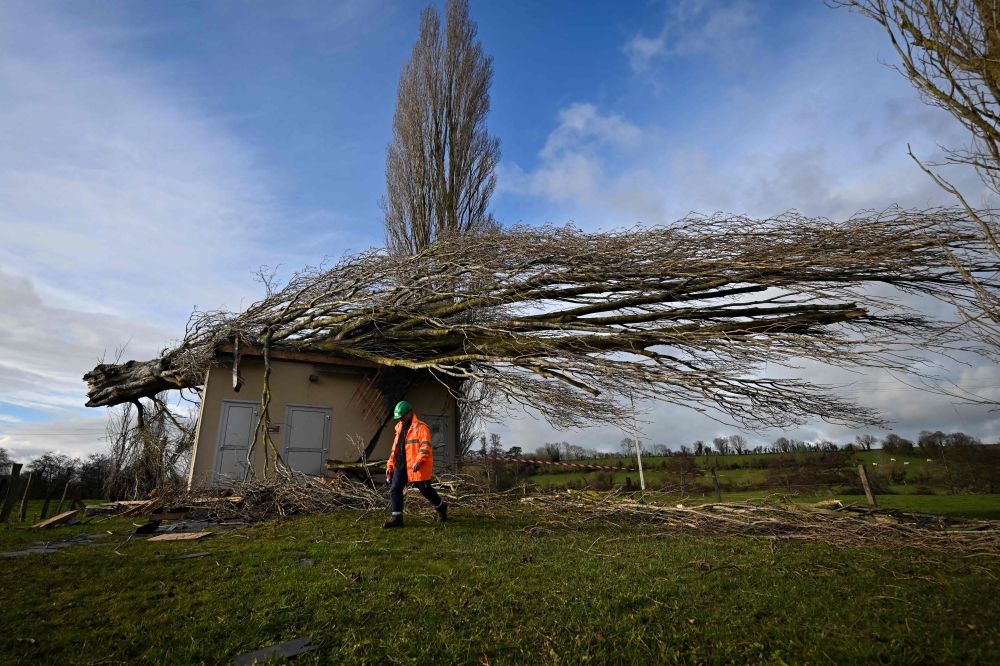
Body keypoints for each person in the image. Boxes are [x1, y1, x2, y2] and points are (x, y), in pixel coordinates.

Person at [383, 400, 447, 528]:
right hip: (401, 466)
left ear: (409, 413)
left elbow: (426, 447)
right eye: (399, 417)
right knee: (395, 489)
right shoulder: (399, 428)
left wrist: (418, 461)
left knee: (426, 490)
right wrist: (390, 466)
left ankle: (441, 508)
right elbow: (395, 449)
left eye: (402, 416)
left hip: (417, 466)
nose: (400, 419)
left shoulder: (421, 427)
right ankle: (397, 519)